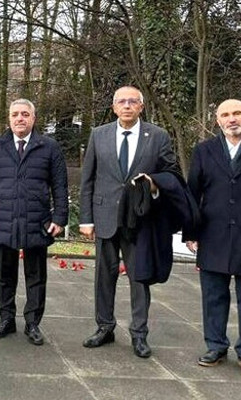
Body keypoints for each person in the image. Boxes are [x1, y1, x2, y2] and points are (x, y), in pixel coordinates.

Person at [79, 86, 181, 358]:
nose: (127, 105)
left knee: (140, 277)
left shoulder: (157, 136)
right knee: (104, 276)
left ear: (141, 107)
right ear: (113, 107)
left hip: (141, 218)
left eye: (132, 101)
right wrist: (86, 219)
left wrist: (154, 184)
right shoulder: (98, 135)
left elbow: (171, 173)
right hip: (105, 217)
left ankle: (139, 333)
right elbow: (88, 179)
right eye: (121, 101)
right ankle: (104, 327)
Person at [0, 99, 68, 345]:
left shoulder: (49, 147)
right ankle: (6, 319)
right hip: (3, 221)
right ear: (8, 118)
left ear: (33, 118)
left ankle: (32, 323)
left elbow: (60, 185)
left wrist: (60, 218)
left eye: (25, 114)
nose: (20, 118)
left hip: (37, 221)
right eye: (15, 114)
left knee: (36, 276)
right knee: (4, 275)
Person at [184, 99, 241, 378]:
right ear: (217, 121)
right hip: (212, 234)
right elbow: (192, 194)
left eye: (237, 113)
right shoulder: (205, 150)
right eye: (225, 115)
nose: (231, 119)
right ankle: (215, 345)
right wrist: (190, 232)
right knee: (214, 295)